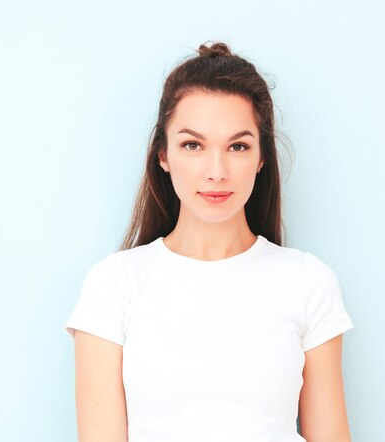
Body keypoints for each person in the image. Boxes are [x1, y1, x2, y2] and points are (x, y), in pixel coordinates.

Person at [64, 41, 354, 442]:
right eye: (193, 145)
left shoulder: (308, 282)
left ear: (261, 157)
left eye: (237, 146)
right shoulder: (115, 284)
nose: (216, 171)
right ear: (163, 155)